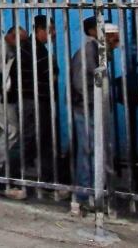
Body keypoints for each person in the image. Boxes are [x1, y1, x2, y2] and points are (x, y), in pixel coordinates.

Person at [70, 17, 120, 211]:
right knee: (88, 151)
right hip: (87, 109)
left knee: (96, 152)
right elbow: (80, 84)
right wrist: (95, 101)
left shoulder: (99, 53)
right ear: (92, 31)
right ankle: (83, 195)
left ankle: (96, 192)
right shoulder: (87, 53)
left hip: (94, 109)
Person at [18, 15, 60, 188]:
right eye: (50, 30)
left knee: (44, 140)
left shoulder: (34, 48)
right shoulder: (32, 49)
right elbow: (50, 73)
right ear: (40, 30)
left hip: (40, 99)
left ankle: (48, 180)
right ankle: (8, 175)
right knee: (30, 139)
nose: (54, 34)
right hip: (33, 100)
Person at [0, 26, 28, 200]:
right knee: (11, 131)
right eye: (22, 39)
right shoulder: (2, 49)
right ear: (12, 37)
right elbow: (0, 76)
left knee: (1, 132)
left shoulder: (5, 47)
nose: (24, 43)